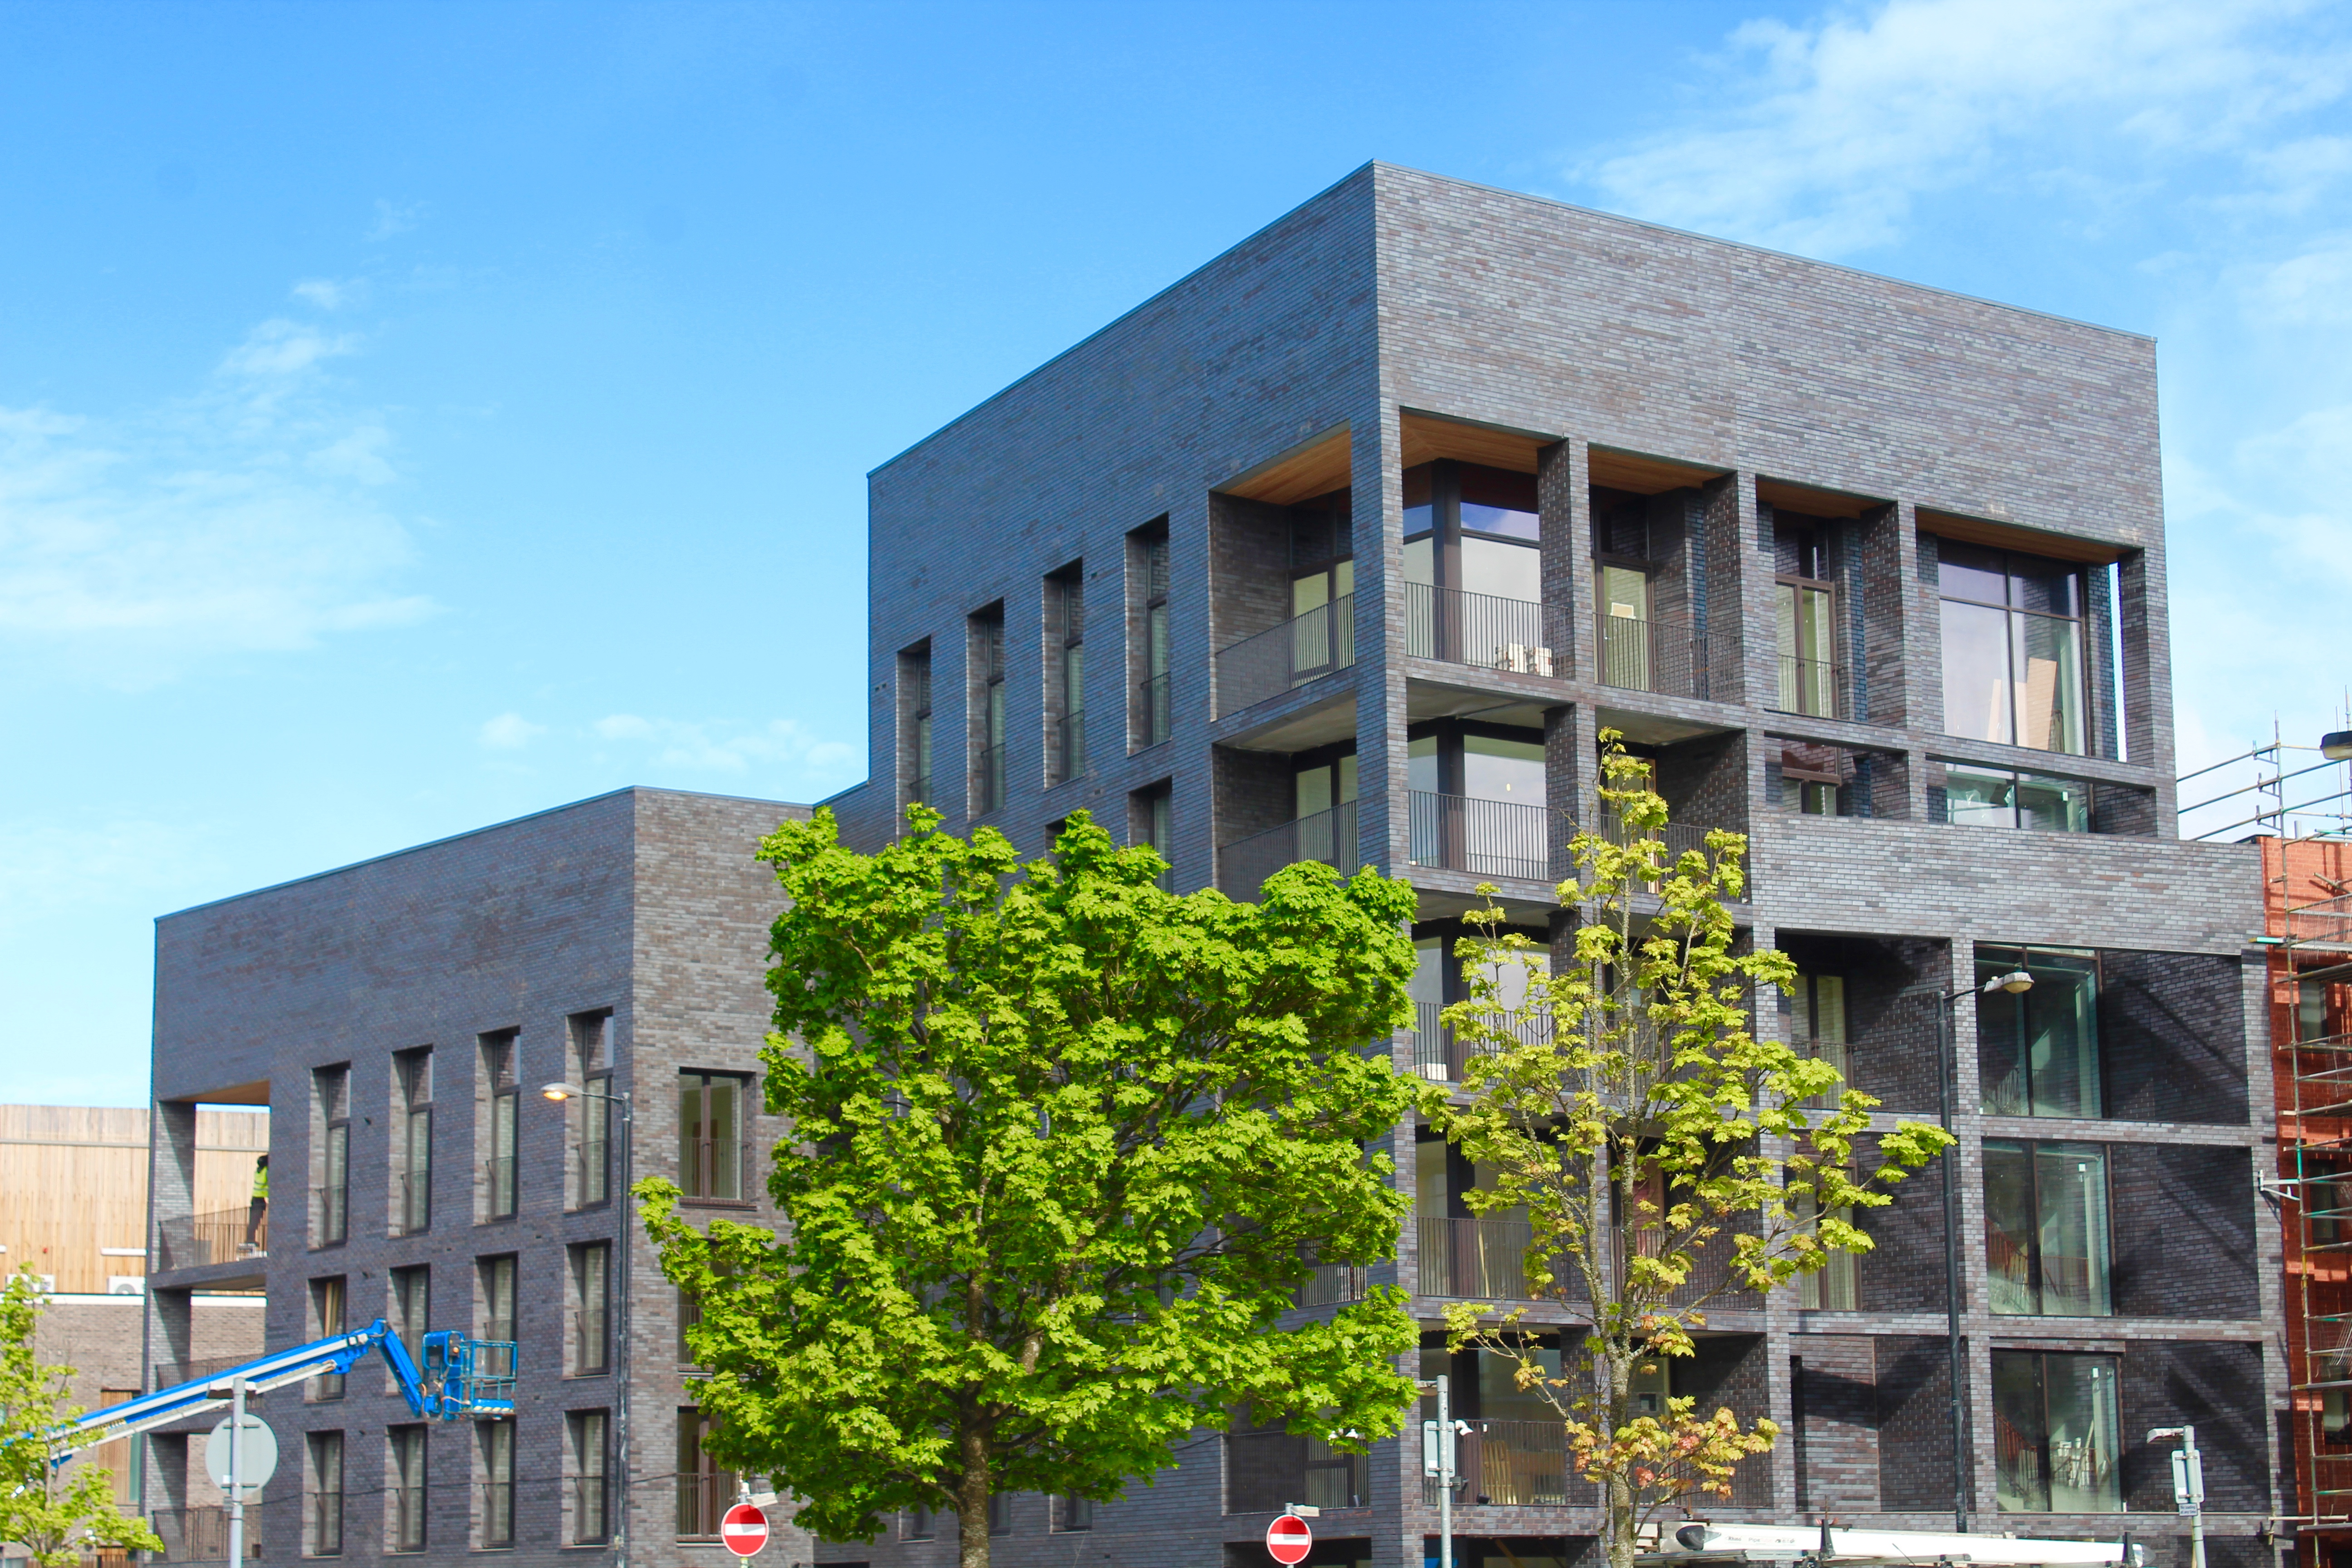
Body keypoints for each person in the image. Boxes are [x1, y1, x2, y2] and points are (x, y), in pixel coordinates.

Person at [245, 1155, 269, 1251]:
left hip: (255, 1199)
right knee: (255, 1221)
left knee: (253, 1222)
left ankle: (250, 1239)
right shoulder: (266, 1171)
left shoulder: (258, 1171)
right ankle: (250, 1239)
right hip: (260, 1200)